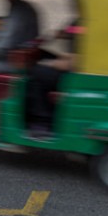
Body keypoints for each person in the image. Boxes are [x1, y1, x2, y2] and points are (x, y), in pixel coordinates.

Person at [26, 7, 83, 137]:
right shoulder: (82, 21)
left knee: (37, 74)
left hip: (79, 72)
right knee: (44, 58)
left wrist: (56, 62)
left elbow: (80, 61)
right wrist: (59, 33)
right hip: (77, 63)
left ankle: (43, 122)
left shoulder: (92, 23)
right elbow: (74, 30)